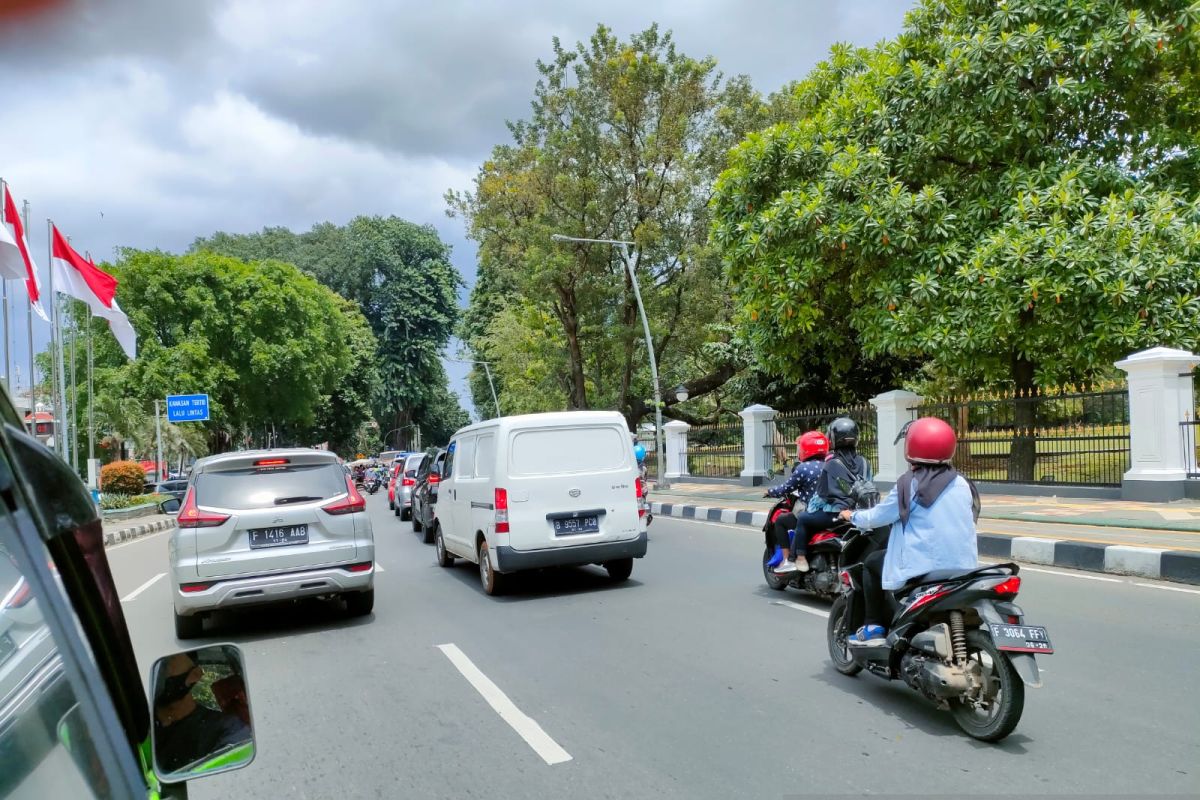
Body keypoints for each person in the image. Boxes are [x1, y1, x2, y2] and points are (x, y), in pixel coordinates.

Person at [837, 417, 979, 645]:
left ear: (911, 447)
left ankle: (873, 625)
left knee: (873, 563)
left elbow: (878, 516)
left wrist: (852, 515)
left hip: (924, 565)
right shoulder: (963, 483)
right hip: (964, 566)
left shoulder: (909, 483)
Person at [154, 653, 252, 774]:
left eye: (168, 663)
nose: (162, 674)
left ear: (196, 675)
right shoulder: (140, 724)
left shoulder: (224, 728)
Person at [796, 417, 870, 548]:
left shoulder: (831, 463)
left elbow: (821, 495)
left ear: (832, 439)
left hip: (835, 514)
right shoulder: (864, 462)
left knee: (803, 518)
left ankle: (797, 558)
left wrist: (810, 509)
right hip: (859, 513)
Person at [766, 430, 829, 574]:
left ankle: (788, 560)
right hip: (832, 512)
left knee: (782, 521)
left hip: (810, 512)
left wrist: (770, 491)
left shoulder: (803, 468)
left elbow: (786, 487)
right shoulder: (831, 465)